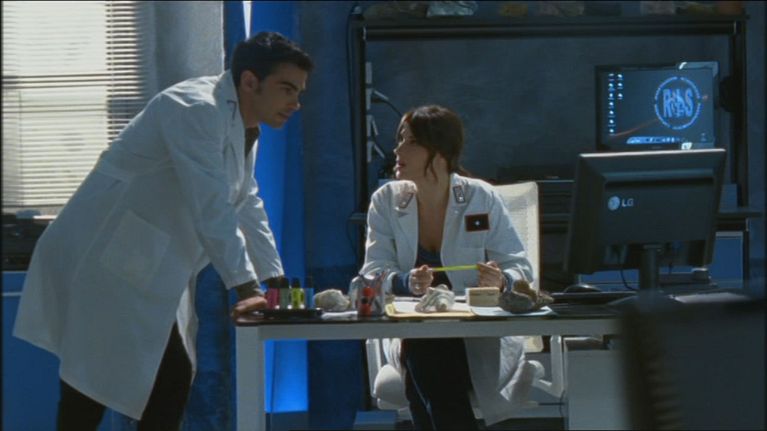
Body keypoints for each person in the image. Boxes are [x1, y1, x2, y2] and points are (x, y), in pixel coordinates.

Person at [13, 31, 312, 430]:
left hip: (141, 264)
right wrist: (246, 288)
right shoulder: (194, 108)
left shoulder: (242, 126)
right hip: (102, 259)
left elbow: (246, 202)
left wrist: (273, 280)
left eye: (299, 92)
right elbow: (211, 205)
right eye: (287, 89)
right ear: (249, 81)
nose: (295, 103)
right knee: (96, 386)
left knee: (154, 382)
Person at [360, 105, 540, 430]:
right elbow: (372, 273)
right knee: (426, 343)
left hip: (473, 339)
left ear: (441, 151)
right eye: (399, 140)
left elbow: (521, 270)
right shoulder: (386, 201)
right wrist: (405, 282)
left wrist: (501, 280)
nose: (398, 150)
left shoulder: (480, 197)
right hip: (413, 336)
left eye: (411, 142)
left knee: (426, 365)